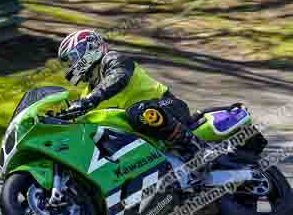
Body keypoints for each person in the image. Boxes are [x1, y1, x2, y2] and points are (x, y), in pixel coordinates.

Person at [58, 29, 210, 158]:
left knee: (139, 111)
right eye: (67, 63)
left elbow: (118, 77)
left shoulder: (113, 59)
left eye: (72, 59)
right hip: (140, 132)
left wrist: (90, 101)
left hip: (167, 107)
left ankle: (200, 148)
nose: (71, 67)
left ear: (90, 48)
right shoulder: (87, 93)